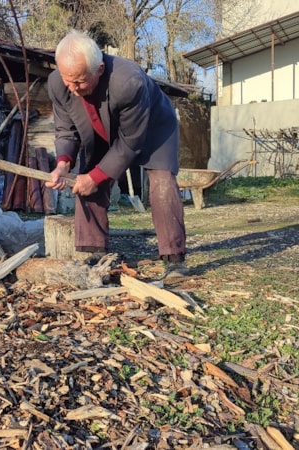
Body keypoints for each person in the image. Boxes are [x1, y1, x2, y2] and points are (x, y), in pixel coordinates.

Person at [45, 29, 188, 278]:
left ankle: (173, 257)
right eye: (68, 79)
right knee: (86, 179)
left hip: (154, 128)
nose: (73, 87)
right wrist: (63, 164)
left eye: (79, 81)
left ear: (99, 69)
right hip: (99, 129)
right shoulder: (58, 83)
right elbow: (65, 130)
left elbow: (130, 143)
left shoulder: (128, 82)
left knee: (162, 183)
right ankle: (95, 253)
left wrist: (97, 176)